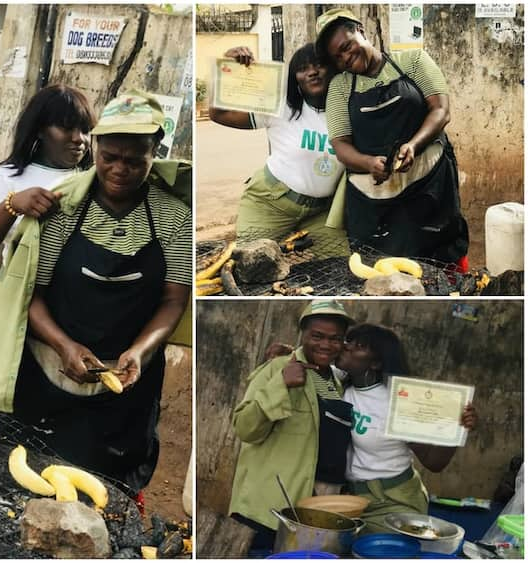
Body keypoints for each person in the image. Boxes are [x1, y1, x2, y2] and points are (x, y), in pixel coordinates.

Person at [0, 91, 191, 498]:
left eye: (135, 160)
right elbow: (31, 291)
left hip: (127, 377)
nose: (120, 169)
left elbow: (173, 299)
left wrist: (140, 351)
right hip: (50, 365)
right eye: (110, 156)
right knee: (29, 475)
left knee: (110, 483)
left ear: (155, 152)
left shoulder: (174, 215)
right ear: (98, 150)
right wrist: (64, 345)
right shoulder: (63, 206)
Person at [316, 8, 469, 268]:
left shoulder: (412, 61)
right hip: (377, 195)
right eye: (337, 57)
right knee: (383, 263)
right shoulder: (340, 87)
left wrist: (413, 145)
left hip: (428, 182)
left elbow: (440, 109)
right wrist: (367, 163)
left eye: (347, 46)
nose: (345, 58)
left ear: (361, 31)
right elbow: (340, 144)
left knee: (443, 251)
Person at [229, 300, 355, 549]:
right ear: (302, 334)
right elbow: (245, 428)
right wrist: (281, 384)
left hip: (312, 509)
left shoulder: (336, 382)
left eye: (335, 339)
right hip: (268, 509)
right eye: (317, 336)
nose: (326, 345)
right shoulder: (278, 368)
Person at [210, 44, 348, 258]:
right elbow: (218, 114)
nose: (312, 72)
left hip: (322, 212)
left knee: (338, 269)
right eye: (303, 68)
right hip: (270, 203)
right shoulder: (281, 107)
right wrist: (228, 65)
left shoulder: (348, 111)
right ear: (296, 78)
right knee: (251, 265)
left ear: (333, 69)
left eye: (319, 65)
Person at [337, 323, 477, 533]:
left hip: (392, 500)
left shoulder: (398, 402)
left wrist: (456, 428)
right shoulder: (338, 383)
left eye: (359, 346)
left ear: (375, 363)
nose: (346, 347)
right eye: (348, 341)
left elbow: (434, 462)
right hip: (349, 499)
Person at [0, 84, 96, 258]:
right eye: (66, 128)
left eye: (85, 130)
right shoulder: (7, 177)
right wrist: (12, 205)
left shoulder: (93, 180)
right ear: (40, 130)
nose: (79, 138)